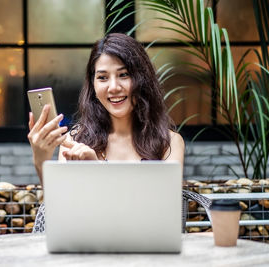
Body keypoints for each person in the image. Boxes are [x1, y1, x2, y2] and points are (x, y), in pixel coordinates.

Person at [27, 33, 209, 233]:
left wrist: (96, 171)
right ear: (93, 85)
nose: (113, 87)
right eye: (102, 77)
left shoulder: (170, 142)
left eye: (124, 75)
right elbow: (61, 217)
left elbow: (160, 220)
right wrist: (41, 159)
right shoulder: (75, 140)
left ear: (142, 79)